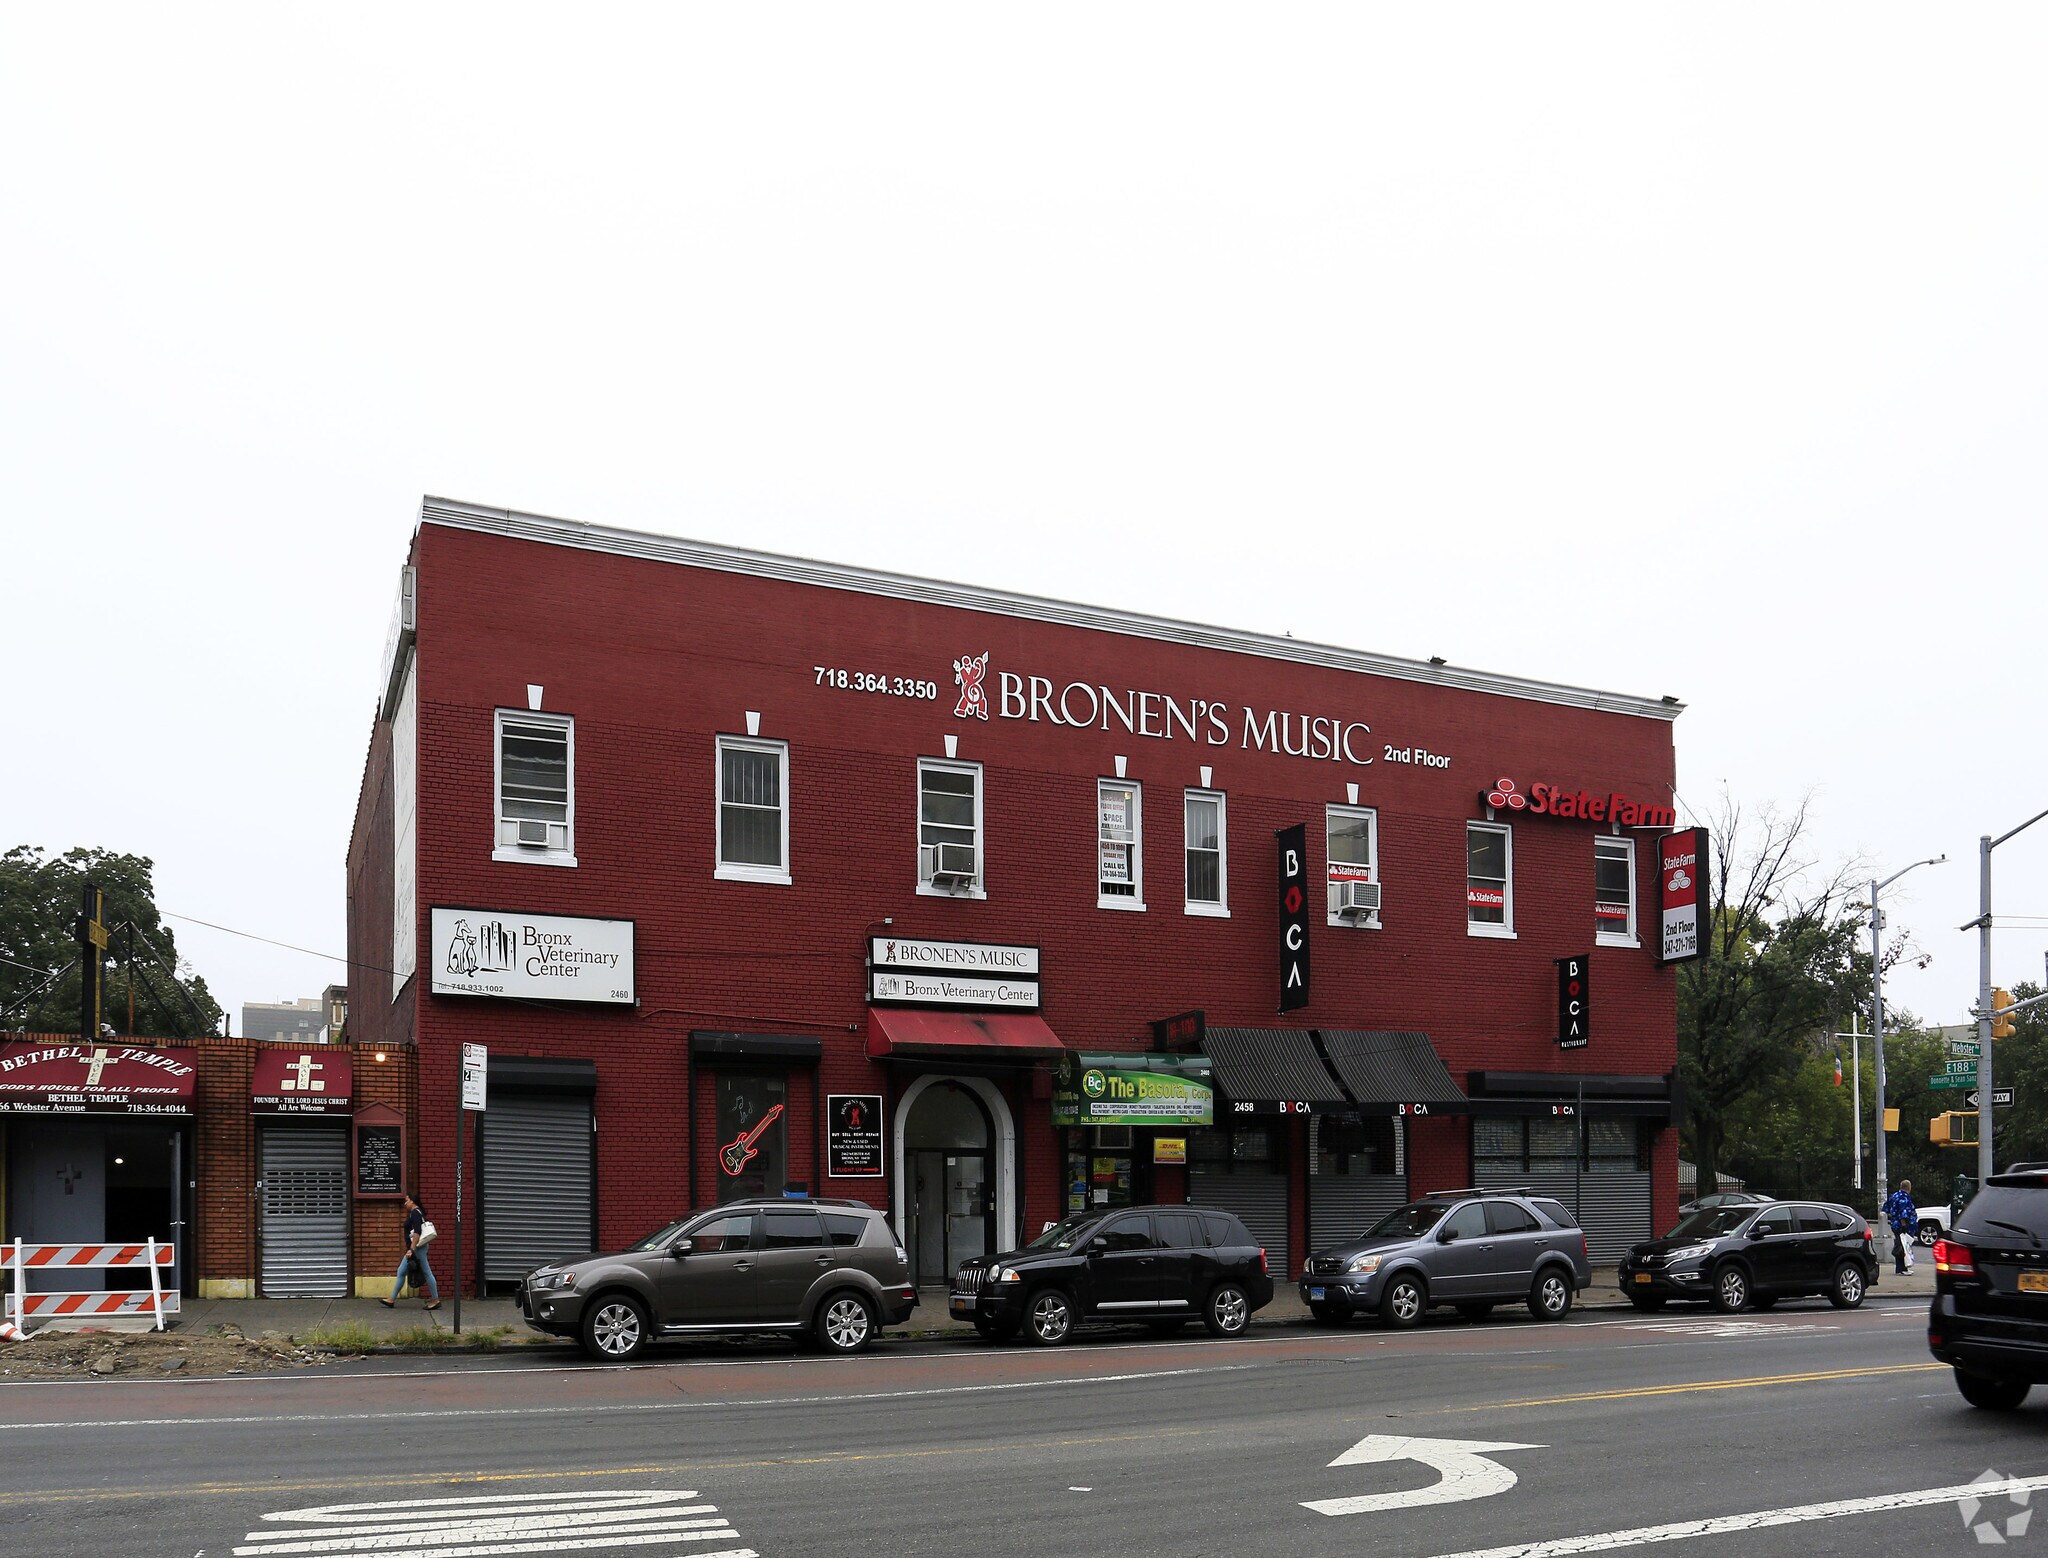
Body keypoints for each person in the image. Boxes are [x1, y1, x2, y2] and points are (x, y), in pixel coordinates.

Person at [382, 1193, 441, 1310]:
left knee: (426, 1272)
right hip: (418, 1247)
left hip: (417, 1248)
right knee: (401, 1271)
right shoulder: (418, 1212)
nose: (405, 1203)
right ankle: (391, 1299)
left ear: (412, 1201)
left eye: (407, 1201)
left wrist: (411, 1249)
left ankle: (435, 1300)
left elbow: (417, 1232)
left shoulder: (415, 1213)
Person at [1882, 1178, 1918, 1275]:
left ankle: (1901, 1268)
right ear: (1908, 1187)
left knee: (1900, 1245)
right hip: (1903, 1226)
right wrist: (1904, 1225)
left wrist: (1893, 1216)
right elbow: (1904, 1213)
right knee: (1903, 1246)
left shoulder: (1894, 1196)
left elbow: (1886, 1208)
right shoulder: (1904, 1197)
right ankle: (1901, 1269)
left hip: (1895, 1224)